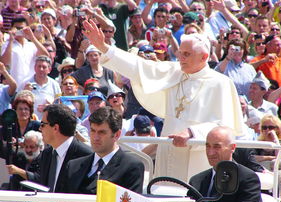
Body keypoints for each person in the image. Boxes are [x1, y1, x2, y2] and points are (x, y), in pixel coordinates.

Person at [82, 20, 244, 181]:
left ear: (204, 57)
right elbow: (139, 67)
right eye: (180, 53)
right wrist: (104, 47)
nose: (180, 58)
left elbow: (224, 127)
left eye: (186, 54)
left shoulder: (220, 83)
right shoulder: (175, 71)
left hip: (199, 157)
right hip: (169, 151)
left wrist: (192, 133)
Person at [62, 107, 144, 194]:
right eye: (93, 131)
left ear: (117, 135)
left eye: (102, 132)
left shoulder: (131, 167)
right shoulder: (73, 166)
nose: (95, 137)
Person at [188, 126, 262, 202]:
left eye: (217, 147)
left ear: (232, 148)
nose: (210, 153)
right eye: (208, 146)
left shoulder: (248, 178)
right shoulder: (196, 180)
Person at [26, 104, 92, 192]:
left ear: (55, 128)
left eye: (42, 124)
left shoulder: (86, 156)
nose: (40, 128)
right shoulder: (46, 154)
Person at [22, 55, 61, 120]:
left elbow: (59, 104)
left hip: (48, 122)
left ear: (49, 69)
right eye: (39, 66)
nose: (41, 69)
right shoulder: (25, 83)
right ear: (34, 68)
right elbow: (16, 103)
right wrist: (24, 93)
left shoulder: (55, 85)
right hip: (29, 121)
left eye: (44, 67)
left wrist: (50, 108)